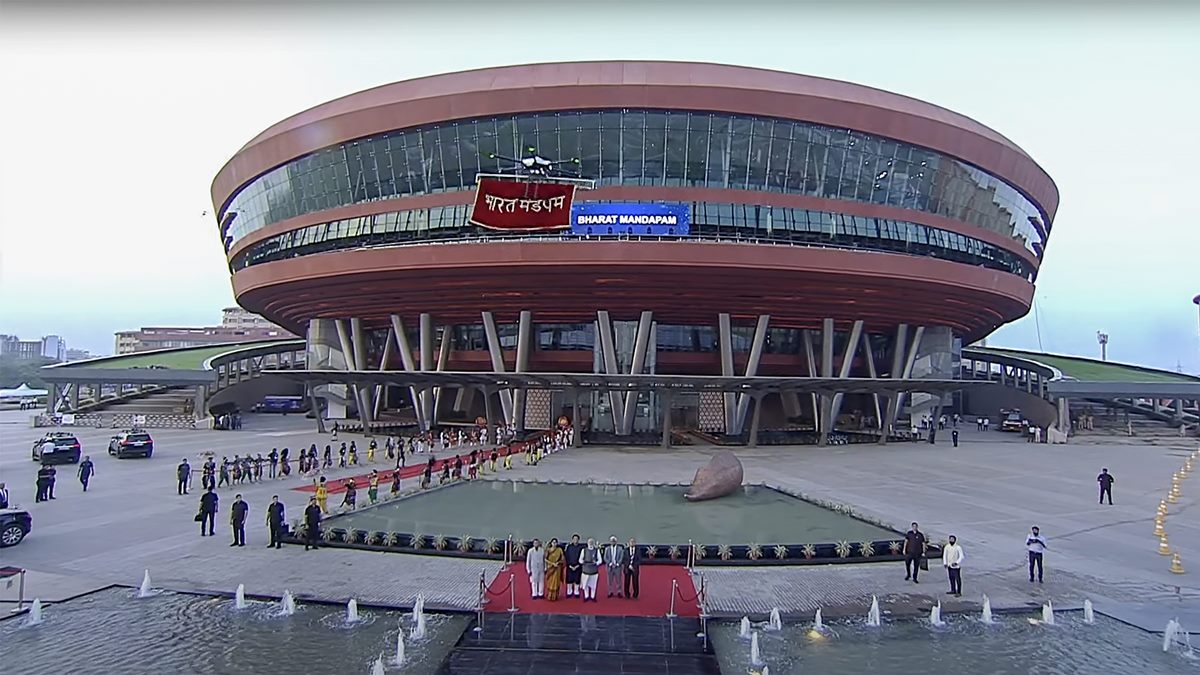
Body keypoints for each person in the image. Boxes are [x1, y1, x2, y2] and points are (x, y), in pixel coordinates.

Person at [579, 538, 601, 602]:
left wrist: (596, 563)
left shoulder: (597, 550)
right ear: (587, 543)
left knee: (593, 585)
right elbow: (580, 559)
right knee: (585, 584)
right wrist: (583, 562)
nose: (591, 543)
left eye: (592, 542)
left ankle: (593, 596)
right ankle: (586, 596)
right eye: (589, 542)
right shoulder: (584, 550)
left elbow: (600, 560)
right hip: (585, 570)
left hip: (594, 571)